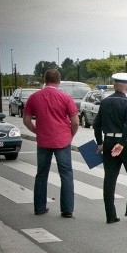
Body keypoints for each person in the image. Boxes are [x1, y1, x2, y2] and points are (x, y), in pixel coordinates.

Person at [22, 69, 79, 217]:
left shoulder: (34, 97)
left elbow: (26, 120)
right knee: (66, 174)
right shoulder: (65, 97)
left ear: (44, 79)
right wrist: (70, 135)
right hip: (62, 140)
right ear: (59, 81)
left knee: (41, 174)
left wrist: (36, 131)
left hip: (43, 140)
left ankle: (39, 207)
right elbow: (75, 122)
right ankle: (67, 210)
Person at [93, 73, 127, 224]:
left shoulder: (105, 102)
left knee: (109, 178)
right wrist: (122, 143)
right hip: (124, 143)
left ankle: (110, 215)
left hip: (108, 140)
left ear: (115, 85)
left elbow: (97, 124)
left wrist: (100, 143)